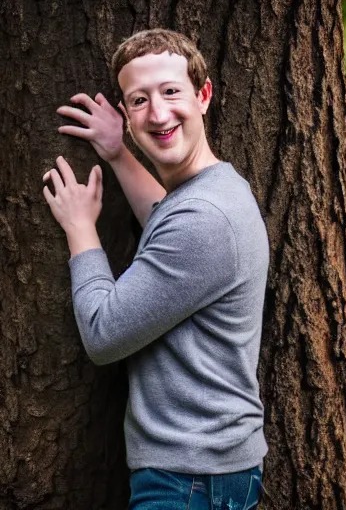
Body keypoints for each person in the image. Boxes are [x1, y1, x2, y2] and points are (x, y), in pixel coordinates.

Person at [42, 29, 268, 510]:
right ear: (125, 114)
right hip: (208, 470)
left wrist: (81, 227)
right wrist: (118, 151)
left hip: (189, 480)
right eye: (139, 100)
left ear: (203, 95)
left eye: (171, 92)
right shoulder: (217, 189)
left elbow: (104, 335)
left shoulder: (204, 219)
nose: (158, 113)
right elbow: (167, 217)